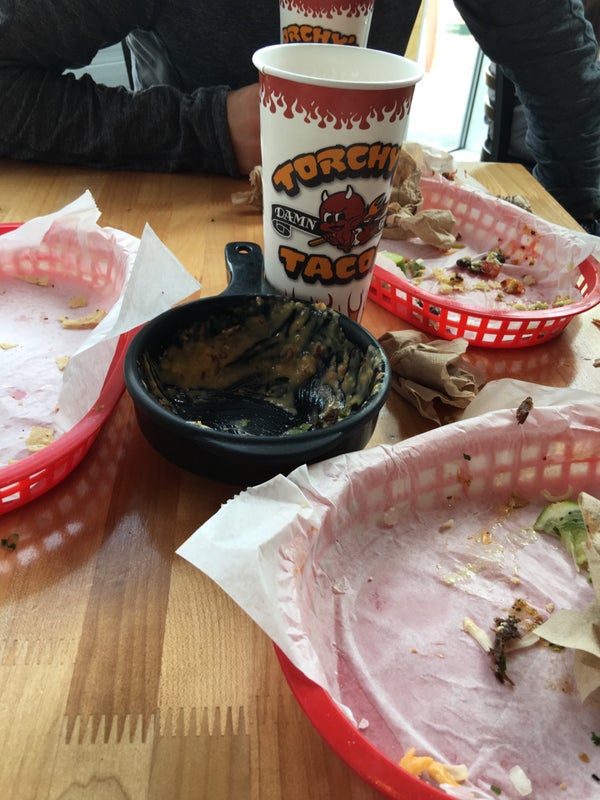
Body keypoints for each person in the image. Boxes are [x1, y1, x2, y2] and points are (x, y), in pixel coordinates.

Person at [0, 0, 598, 232]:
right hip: (177, 202)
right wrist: (207, 129)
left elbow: (558, 62)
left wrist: (571, 233)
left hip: (362, 211)